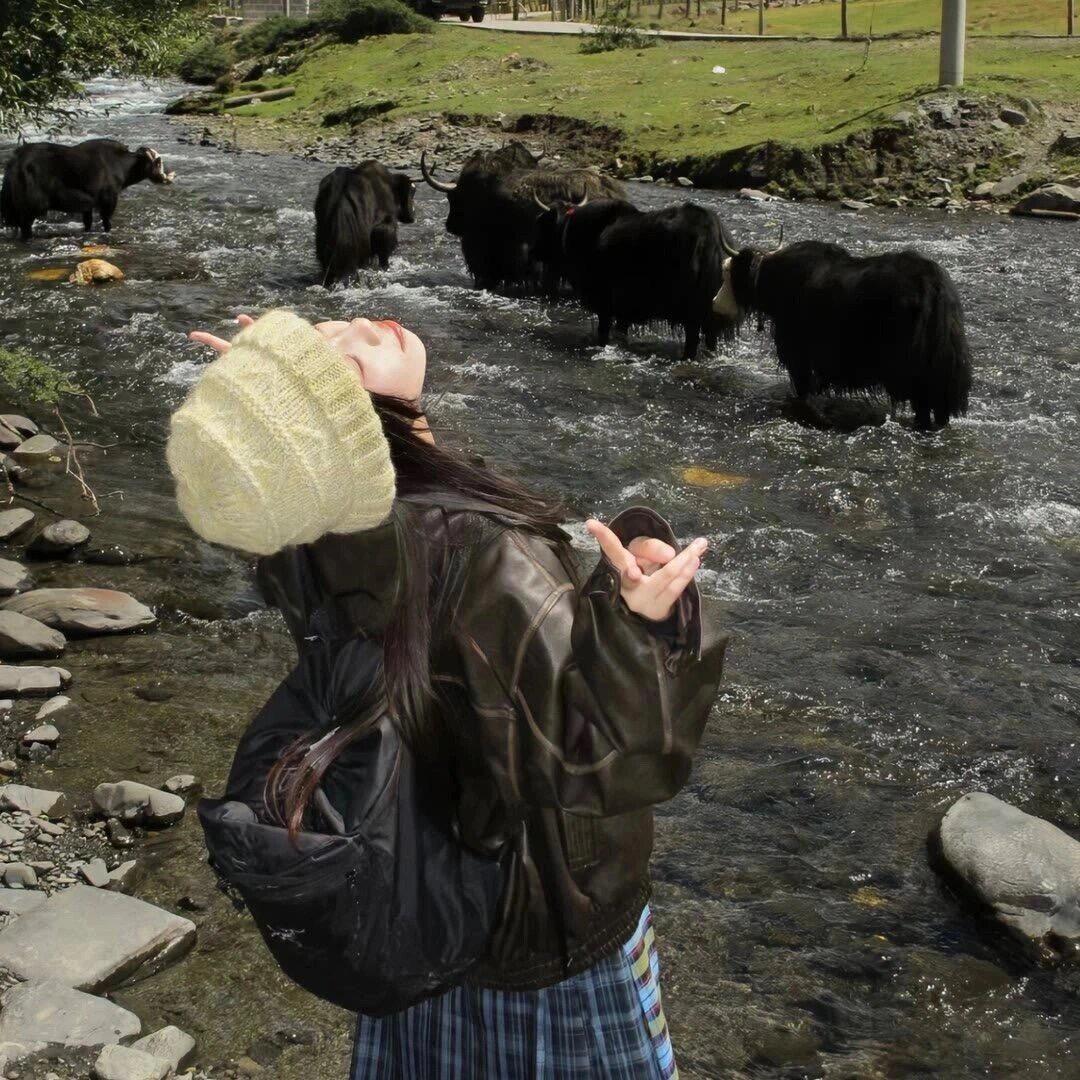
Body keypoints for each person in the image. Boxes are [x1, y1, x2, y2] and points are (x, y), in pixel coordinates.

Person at [168, 309, 729, 1079]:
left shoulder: (309, 525)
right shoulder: (486, 549)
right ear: (344, 418)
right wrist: (646, 629)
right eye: (335, 355)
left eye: (323, 330)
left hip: (418, 885)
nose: (361, 324)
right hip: (540, 922)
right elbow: (607, 761)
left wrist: (276, 423)